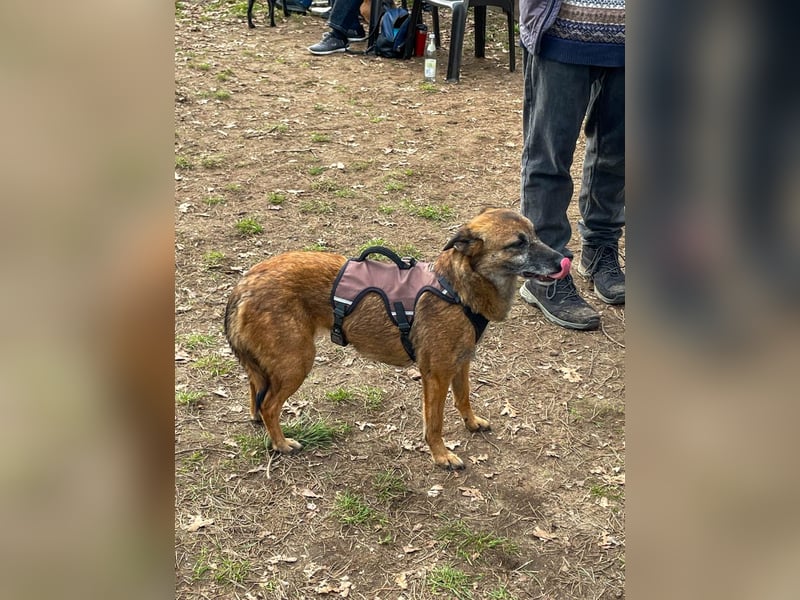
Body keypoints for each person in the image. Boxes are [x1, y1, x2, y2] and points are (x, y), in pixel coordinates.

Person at [517, 0, 625, 331]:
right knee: (549, 157)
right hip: (562, 28)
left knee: (619, 154)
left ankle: (599, 250)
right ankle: (544, 273)